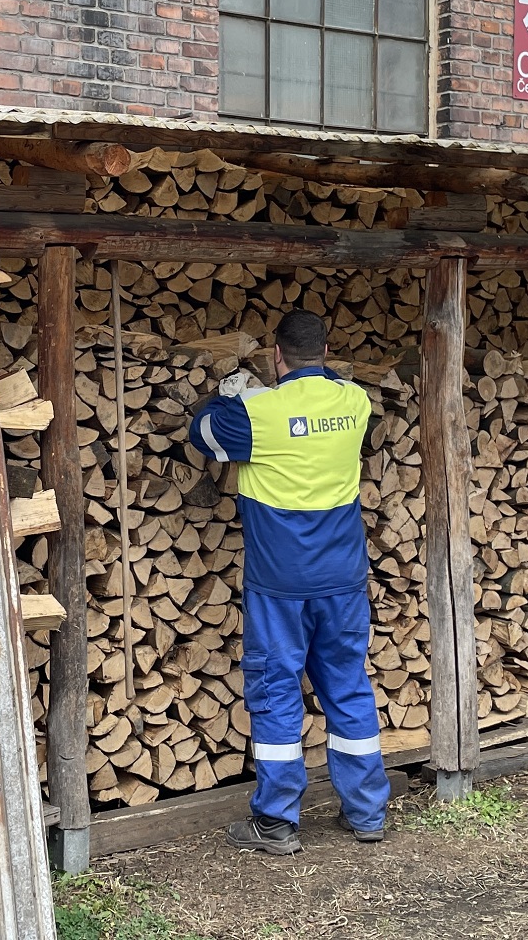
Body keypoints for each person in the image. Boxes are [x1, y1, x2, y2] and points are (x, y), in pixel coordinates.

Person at [189, 310, 387, 854]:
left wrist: (231, 395)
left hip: (279, 584)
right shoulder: (356, 403)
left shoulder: (260, 412)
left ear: (277, 356)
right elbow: (331, 400)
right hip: (343, 577)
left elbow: (203, 433)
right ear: (326, 351)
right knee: (347, 685)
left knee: (277, 693)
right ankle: (368, 813)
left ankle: (277, 823)